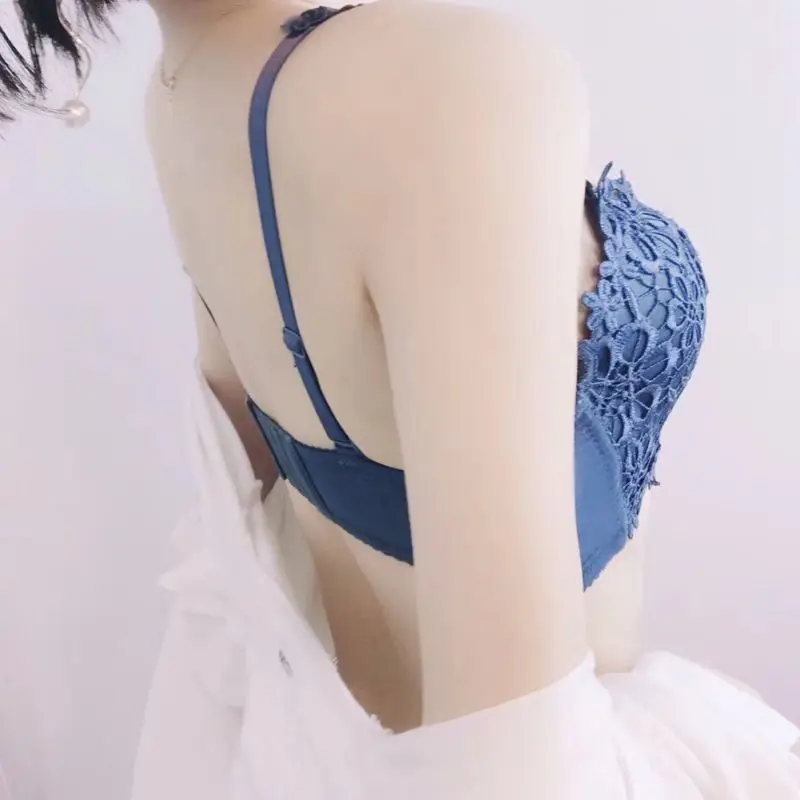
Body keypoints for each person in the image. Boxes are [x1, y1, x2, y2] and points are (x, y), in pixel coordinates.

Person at [5, 0, 799, 797]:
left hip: (348, 752)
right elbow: (513, 758)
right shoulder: (442, 87)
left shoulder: (190, 80)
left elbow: (248, 511)